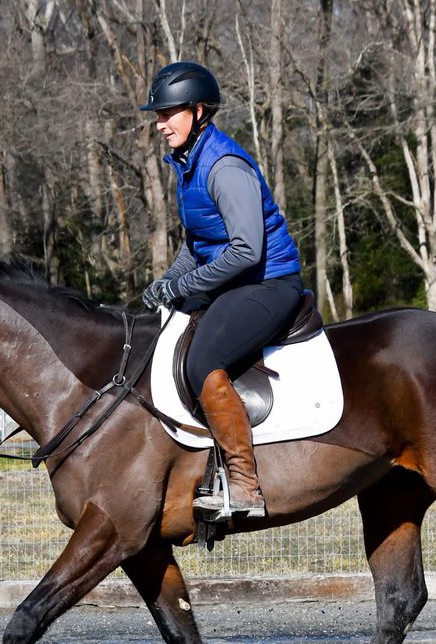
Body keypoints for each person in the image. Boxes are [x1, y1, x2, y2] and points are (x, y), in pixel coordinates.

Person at [140, 61, 304, 521]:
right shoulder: (188, 162)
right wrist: (167, 283)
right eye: (158, 115)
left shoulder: (224, 166)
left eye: (167, 113)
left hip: (268, 283)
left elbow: (246, 251)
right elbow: (198, 243)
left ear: (197, 112)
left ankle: (244, 484)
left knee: (201, 361)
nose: (160, 123)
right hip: (234, 281)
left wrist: (182, 286)